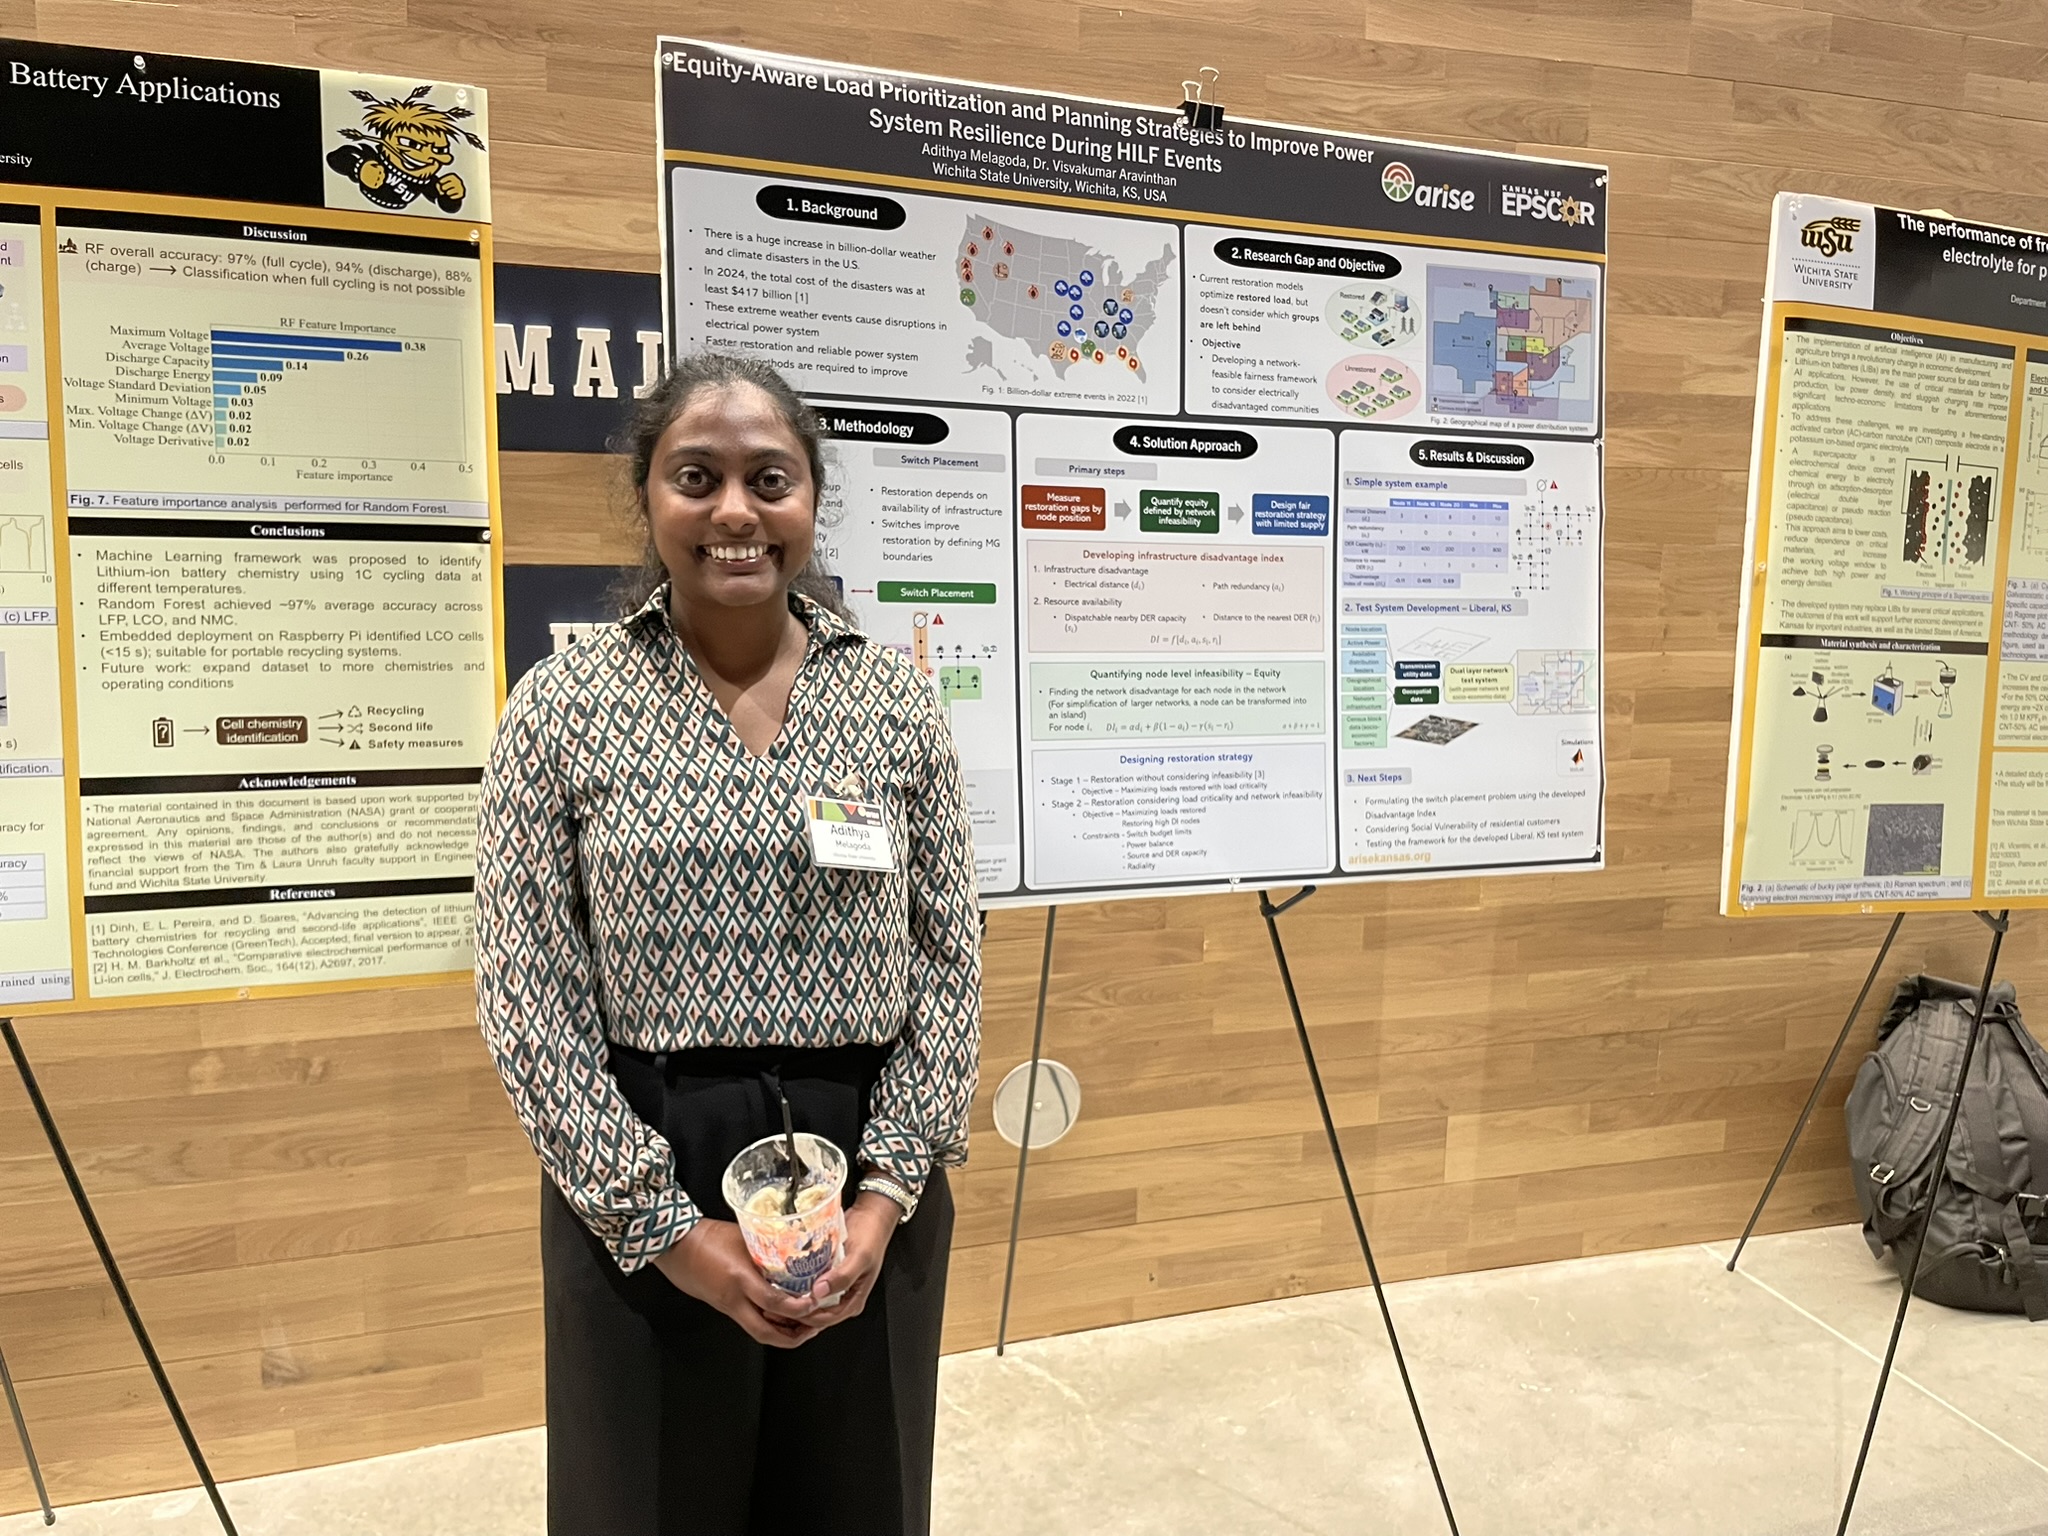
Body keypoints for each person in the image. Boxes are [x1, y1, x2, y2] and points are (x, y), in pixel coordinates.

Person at [474, 353, 982, 1536]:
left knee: (859, 1498)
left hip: (867, 1167)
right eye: (695, 478)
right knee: (647, 1504)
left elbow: (950, 954)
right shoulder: (566, 702)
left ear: (810, 500)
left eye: (771, 479)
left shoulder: (889, 701)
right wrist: (665, 1231)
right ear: (649, 500)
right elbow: (525, 993)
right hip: (645, 1161)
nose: (735, 513)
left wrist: (885, 1192)